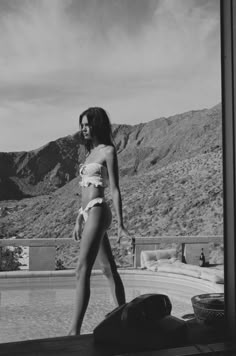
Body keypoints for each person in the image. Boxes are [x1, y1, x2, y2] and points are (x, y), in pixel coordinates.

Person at [68, 107, 129, 335]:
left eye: (87, 124)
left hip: (98, 210)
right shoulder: (90, 153)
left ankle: (74, 331)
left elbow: (114, 189)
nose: (83, 129)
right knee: (108, 269)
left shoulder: (108, 151)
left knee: (81, 269)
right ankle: (124, 315)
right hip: (86, 213)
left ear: (97, 125)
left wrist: (121, 225)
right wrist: (78, 218)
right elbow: (85, 189)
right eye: (81, 125)